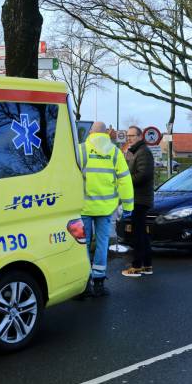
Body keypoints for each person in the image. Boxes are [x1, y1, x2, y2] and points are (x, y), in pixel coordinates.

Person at [78, 122, 134, 297]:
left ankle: (83, 284)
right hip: (105, 208)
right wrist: (128, 206)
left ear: (91, 133)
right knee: (102, 244)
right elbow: (125, 181)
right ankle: (99, 282)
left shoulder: (81, 150)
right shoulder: (115, 152)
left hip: (83, 207)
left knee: (82, 246)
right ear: (106, 134)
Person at [121, 126, 155, 278]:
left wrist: (125, 182)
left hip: (140, 199)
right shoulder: (135, 152)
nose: (129, 138)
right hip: (138, 198)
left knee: (138, 234)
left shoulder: (143, 152)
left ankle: (137, 266)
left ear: (140, 136)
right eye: (128, 135)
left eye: (133, 135)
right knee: (141, 233)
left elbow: (143, 175)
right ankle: (147, 265)